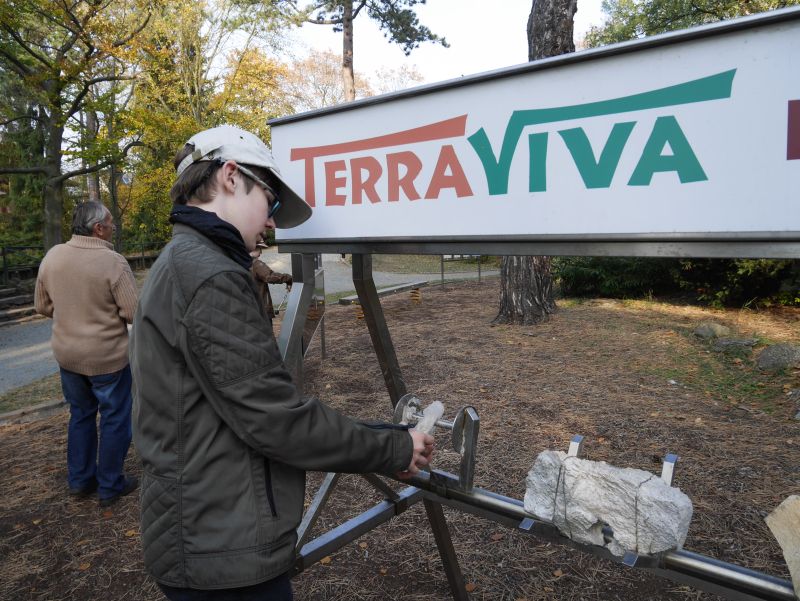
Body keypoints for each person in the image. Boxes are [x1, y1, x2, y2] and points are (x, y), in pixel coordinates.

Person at [130, 125, 434, 600]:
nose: (272, 223)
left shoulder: (186, 262)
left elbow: (242, 405)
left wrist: (383, 437)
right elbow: (274, 418)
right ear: (230, 176)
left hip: (208, 531)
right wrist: (392, 449)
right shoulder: (209, 276)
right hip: (222, 551)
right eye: (270, 202)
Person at [34, 201, 139, 507]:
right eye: (110, 223)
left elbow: (42, 306)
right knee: (114, 418)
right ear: (98, 228)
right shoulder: (113, 262)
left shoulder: (52, 256)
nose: (113, 227)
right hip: (107, 358)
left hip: (68, 355)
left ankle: (80, 480)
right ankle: (110, 485)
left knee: (80, 415)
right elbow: (133, 312)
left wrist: (71, 310)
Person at [250, 243, 292, 318]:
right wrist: (289, 278)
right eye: (260, 249)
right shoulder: (256, 264)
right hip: (261, 308)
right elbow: (270, 277)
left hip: (251, 307)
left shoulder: (241, 262)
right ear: (253, 248)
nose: (261, 253)